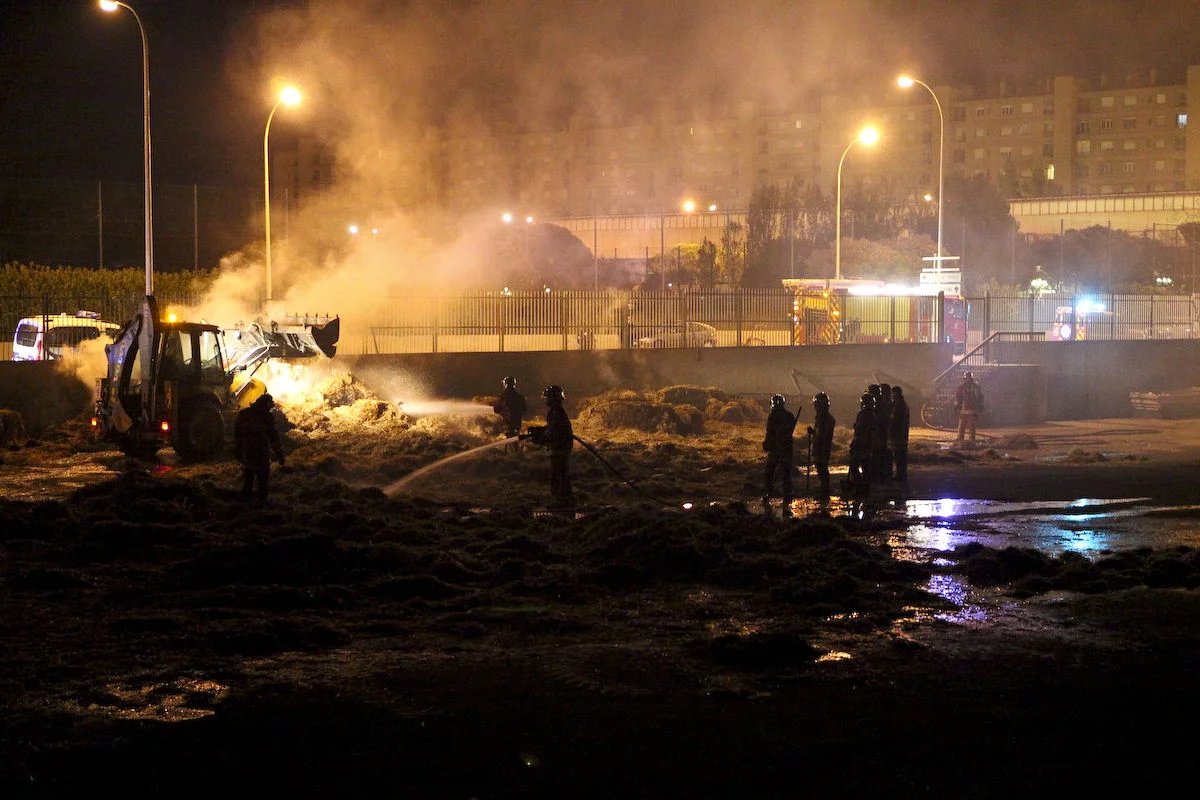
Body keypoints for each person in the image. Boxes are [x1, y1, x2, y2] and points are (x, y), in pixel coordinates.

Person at [234, 393, 285, 502]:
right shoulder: (267, 417)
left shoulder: (244, 414)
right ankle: (261, 505)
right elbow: (274, 437)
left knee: (248, 480)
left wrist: (238, 450)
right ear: (267, 405)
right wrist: (280, 455)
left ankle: (245, 503)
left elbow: (237, 434)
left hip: (248, 453)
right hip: (261, 455)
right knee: (262, 483)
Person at [534, 384, 575, 508]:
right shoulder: (556, 411)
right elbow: (552, 428)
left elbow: (554, 432)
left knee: (559, 476)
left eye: (548, 397)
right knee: (560, 475)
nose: (546, 400)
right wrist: (539, 430)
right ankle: (563, 501)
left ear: (553, 398)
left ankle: (562, 503)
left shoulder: (557, 412)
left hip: (560, 449)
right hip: (560, 448)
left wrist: (541, 438)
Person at [762, 394, 799, 517]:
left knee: (770, 470)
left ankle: (768, 491)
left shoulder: (773, 416)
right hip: (786, 447)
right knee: (785, 472)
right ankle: (787, 494)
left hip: (776, 448)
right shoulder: (789, 416)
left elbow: (770, 432)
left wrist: (767, 444)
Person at [808, 392, 836, 500]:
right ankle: (824, 490)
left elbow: (822, 434)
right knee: (821, 469)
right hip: (821, 446)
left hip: (822, 447)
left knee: (822, 469)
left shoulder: (825, 418)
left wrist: (814, 432)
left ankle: (825, 492)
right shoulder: (823, 417)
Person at [847, 392, 875, 496]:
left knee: (854, 467)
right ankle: (865, 488)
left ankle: (859, 487)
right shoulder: (872, 415)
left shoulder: (863, 414)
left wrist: (855, 445)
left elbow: (861, 432)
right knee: (866, 467)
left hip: (861, 445)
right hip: (867, 445)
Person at [955, 371, 985, 444]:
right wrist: (980, 406)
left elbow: (958, 398)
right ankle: (965, 440)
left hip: (968, 411)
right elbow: (980, 397)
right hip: (968, 411)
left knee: (966, 427)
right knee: (967, 427)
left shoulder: (962, 387)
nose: (968, 380)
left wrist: (956, 406)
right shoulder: (973, 387)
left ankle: (962, 440)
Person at [888, 385, 911, 481]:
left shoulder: (900, 405)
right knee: (900, 455)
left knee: (899, 455)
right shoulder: (901, 404)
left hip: (899, 434)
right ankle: (901, 473)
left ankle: (900, 474)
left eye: (893, 393)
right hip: (901, 434)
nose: (891, 395)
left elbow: (896, 420)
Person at [874, 383, 893, 481]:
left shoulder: (881, 406)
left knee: (880, 454)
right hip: (883, 435)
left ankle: (880, 476)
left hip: (879, 436)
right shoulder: (886, 404)